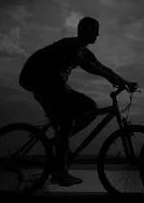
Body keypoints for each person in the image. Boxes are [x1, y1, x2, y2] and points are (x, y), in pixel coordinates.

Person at [19, 16, 137, 186]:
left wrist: (124, 81)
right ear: (88, 30)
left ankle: (59, 144)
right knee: (69, 118)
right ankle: (59, 172)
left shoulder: (84, 50)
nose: (98, 34)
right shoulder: (70, 44)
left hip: (54, 84)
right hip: (41, 82)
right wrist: (109, 78)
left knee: (90, 109)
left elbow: (102, 67)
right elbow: (88, 66)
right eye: (96, 29)